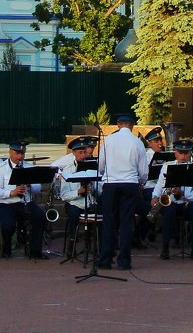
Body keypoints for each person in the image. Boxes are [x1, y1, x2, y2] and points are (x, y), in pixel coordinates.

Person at [97, 111, 148, 271]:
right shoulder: (137, 142)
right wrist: (141, 181)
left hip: (111, 184)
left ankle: (106, 259)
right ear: (132, 126)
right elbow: (143, 170)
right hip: (130, 183)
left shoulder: (108, 140)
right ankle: (124, 261)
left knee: (109, 222)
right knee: (126, 222)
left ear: (118, 124)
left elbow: (100, 165)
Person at [0, 140, 48, 259]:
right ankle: (7, 249)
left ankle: (35, 250)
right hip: (7, 203)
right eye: (17, 153)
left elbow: (38, 187)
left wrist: (30, 185)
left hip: (25, 202)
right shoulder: (1, 168)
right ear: (10, 152)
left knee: (40, 217)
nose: (20, 156)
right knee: (8, 225)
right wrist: (11, 192)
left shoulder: (29, 167)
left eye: (22, 153)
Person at [151, 139, 193, 261]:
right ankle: (165, 248)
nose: (183, 155)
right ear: (175, 153)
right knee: (168, 213)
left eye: (186, 153)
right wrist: (154, 196)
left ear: (190, 153)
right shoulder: (167, 166)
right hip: (172, 202)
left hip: (188, 202)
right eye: (180, 152)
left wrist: (182, 194)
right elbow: (160, 184)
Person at [55, 136, 96, 258]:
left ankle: (97, 247)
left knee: (103, 213)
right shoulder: (67, 171)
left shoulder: (92, 167)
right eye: (80, 152)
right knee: (73, 215)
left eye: (85, 152)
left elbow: (100, 187)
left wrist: (94, 188)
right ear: (73, 153)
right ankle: (71, 246)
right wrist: (78, 191)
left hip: (89, 201)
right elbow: (64, 195)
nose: (83, 155)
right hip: (74, 203)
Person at [135, 127, 167, 245]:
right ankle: (140, 234)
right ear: (149, 142)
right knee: (153, 209)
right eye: (156, 141)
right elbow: (142, 175)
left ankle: (166, 233)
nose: (160, 143)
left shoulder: (166, 155)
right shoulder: (146, 156)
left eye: (160, 140)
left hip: (163, 188)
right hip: (149, 187)